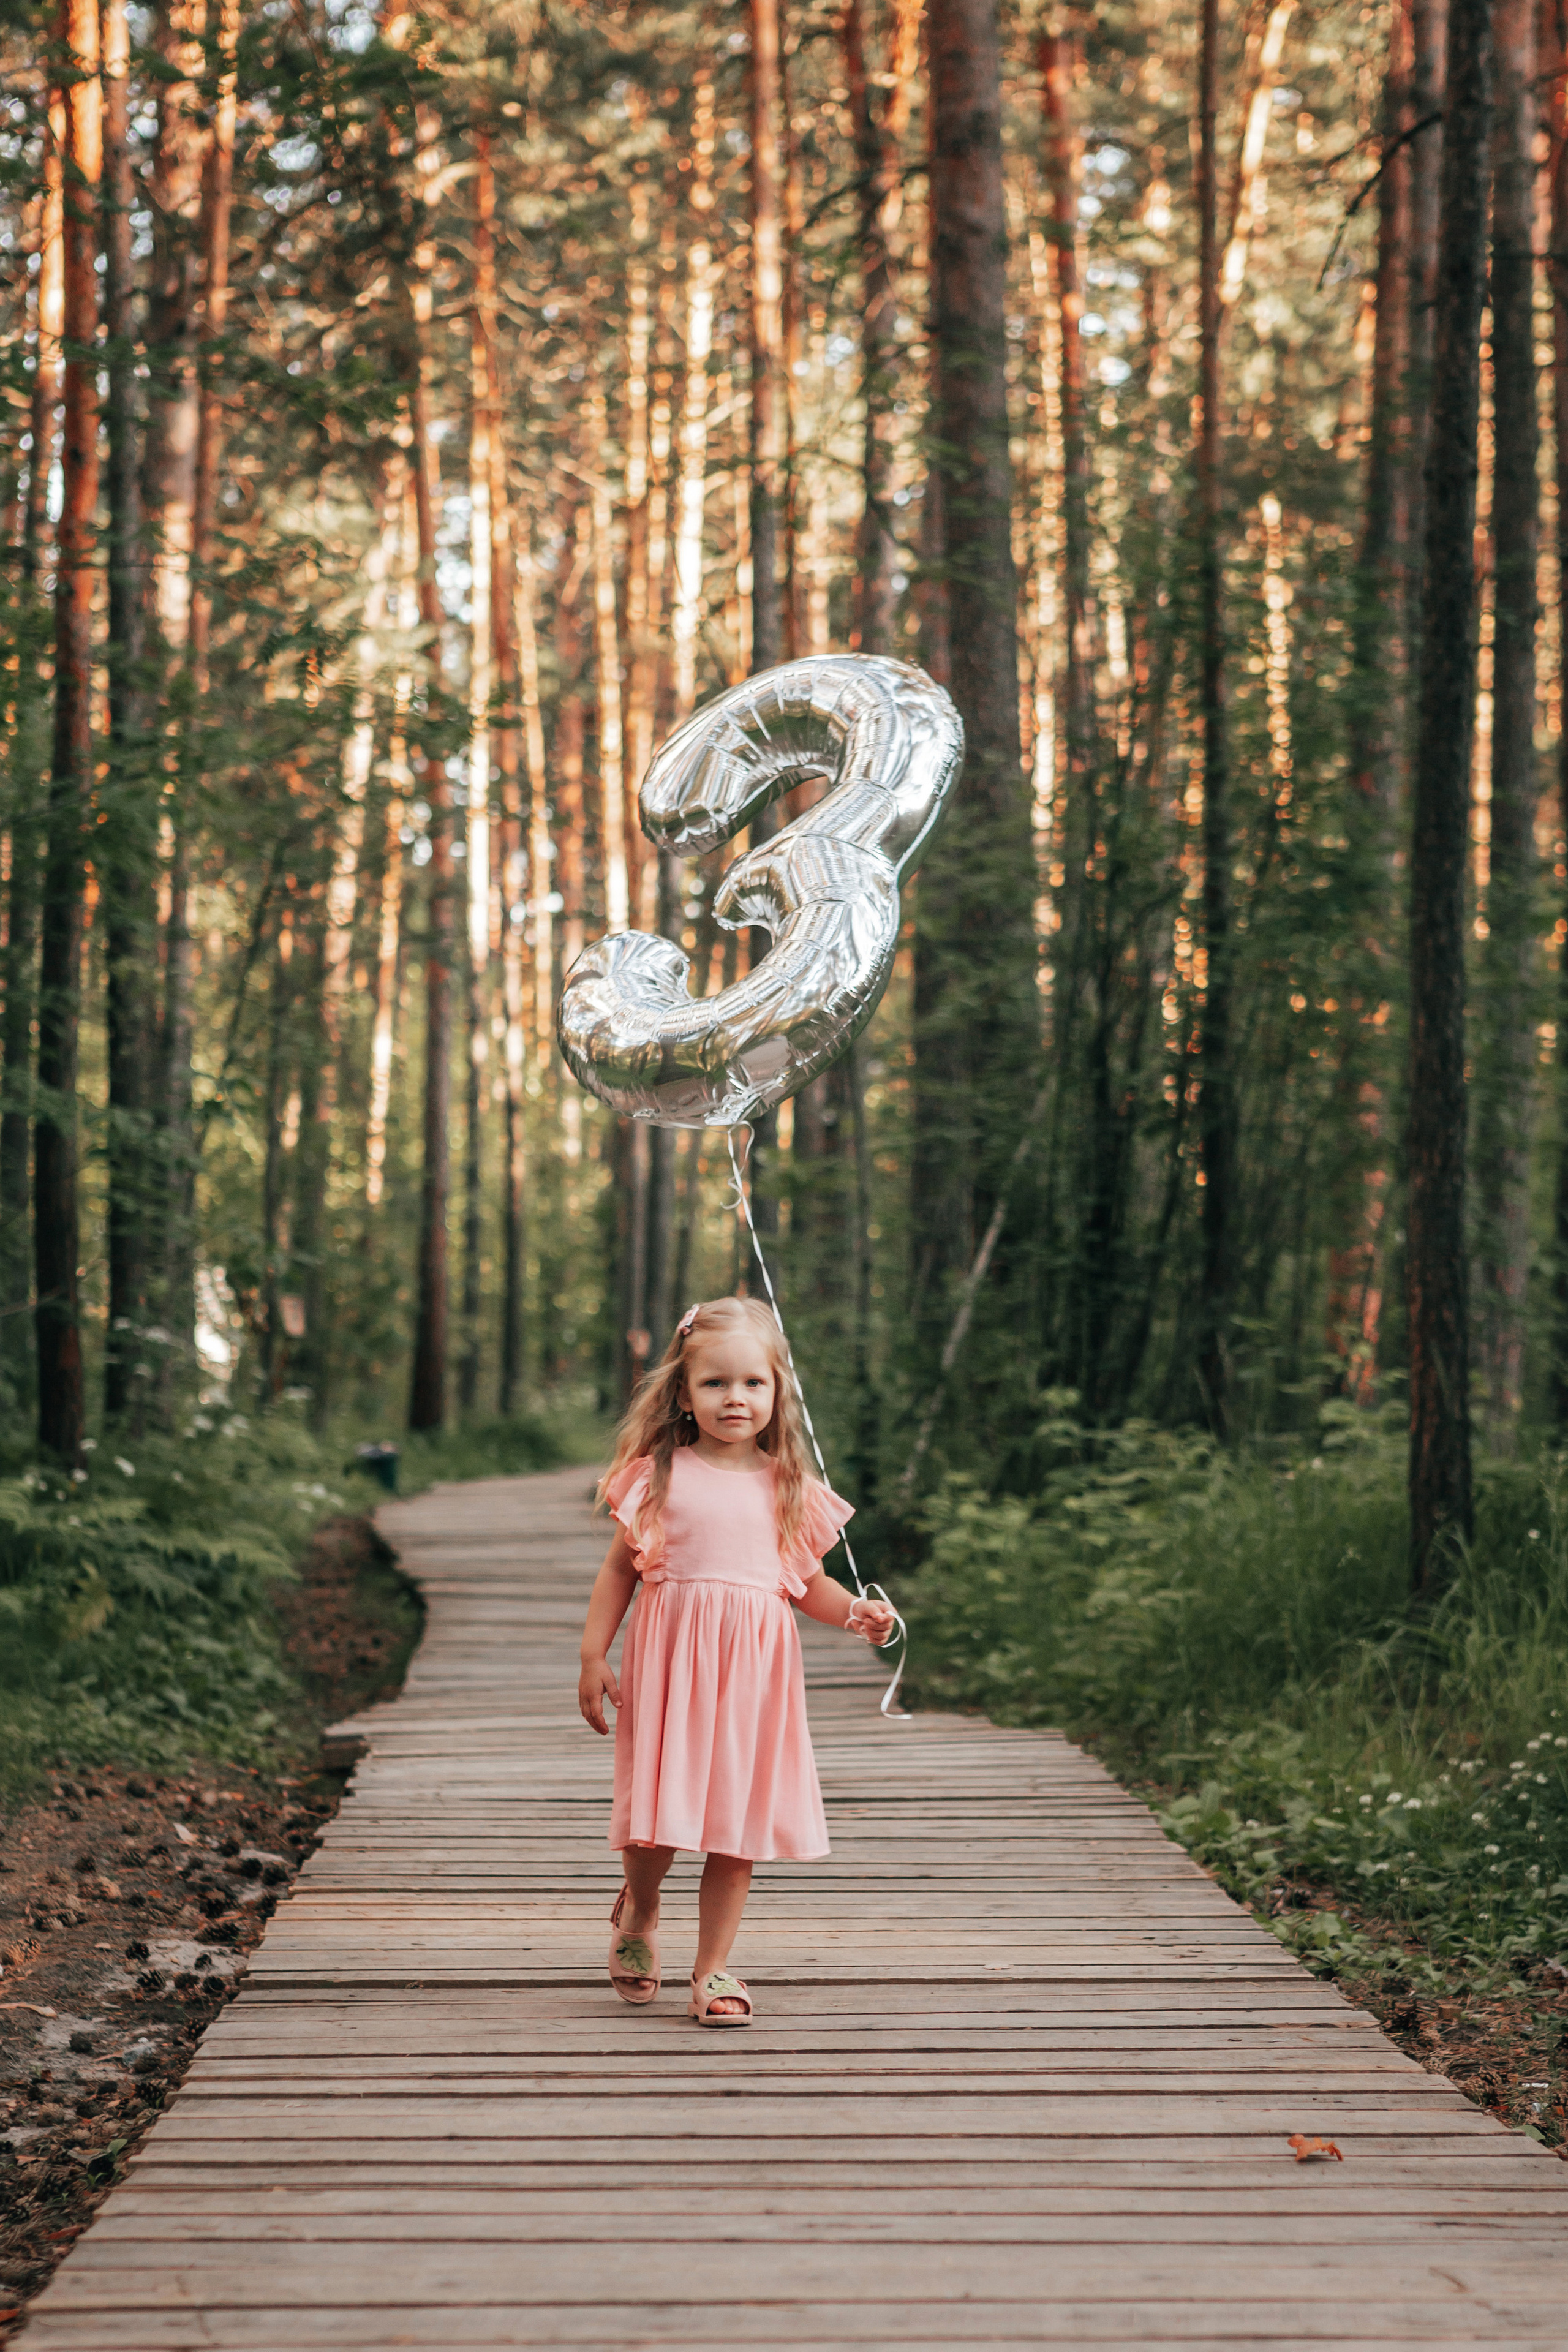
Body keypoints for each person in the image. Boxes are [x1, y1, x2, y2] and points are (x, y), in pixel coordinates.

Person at [578, 1294, 895, 2026]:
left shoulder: (788, 1488)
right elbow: (620, 1571)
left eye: (753, 1382)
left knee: (735, 1828)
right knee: (655, 1825)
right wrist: (594, 1653)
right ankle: (640, 1909)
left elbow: (807, 1585)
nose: (735, 1398)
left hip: (753, 1682)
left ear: (778, 1391)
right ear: (683, 1394)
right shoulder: (659, 1476)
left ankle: (712, 1968)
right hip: (671, 1670)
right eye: (715, 1382)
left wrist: (855, 1612)